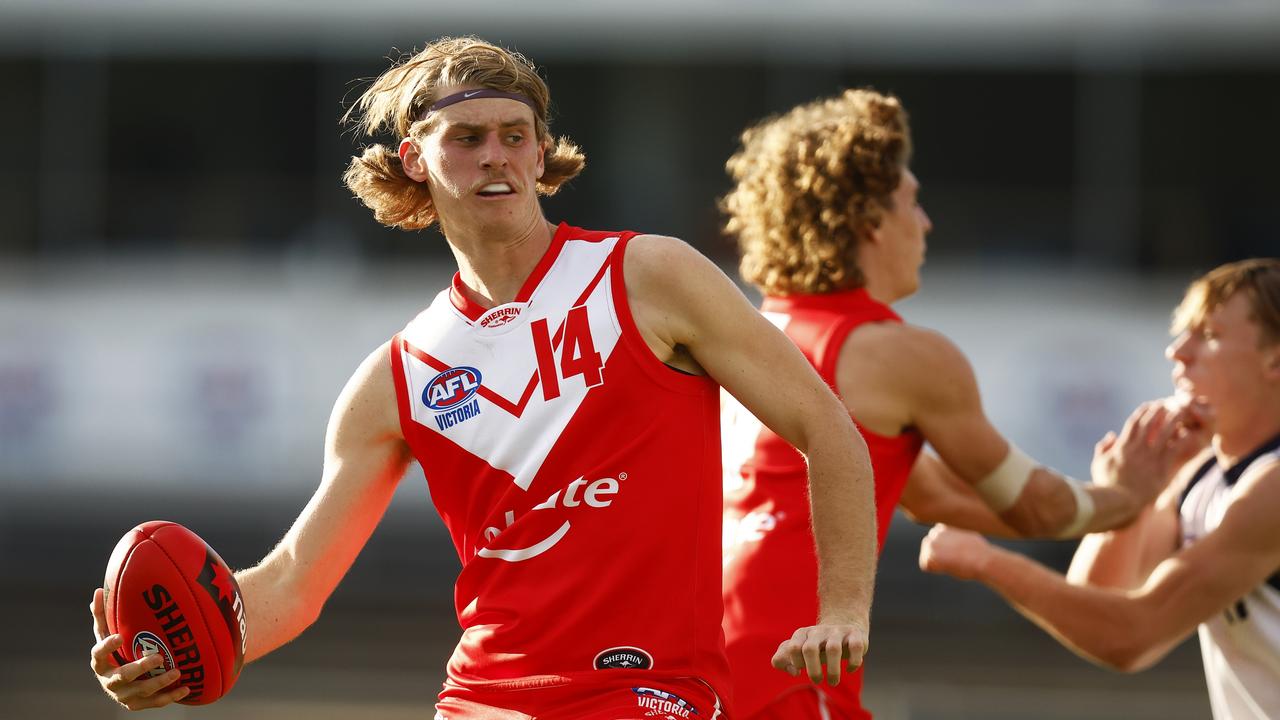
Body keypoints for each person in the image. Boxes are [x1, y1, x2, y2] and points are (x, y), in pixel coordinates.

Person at [87, 36, 879, 718]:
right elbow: (293, 582)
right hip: (481, 698)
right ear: (415, 159)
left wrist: (841, 608)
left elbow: (826, 427)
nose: (494, 155)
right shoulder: (398, 374)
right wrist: (174, 653)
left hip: (650, 692)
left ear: (541, 152)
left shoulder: (648, 274)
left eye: (513, 134)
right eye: (466, 137)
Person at [718, 88, 1184, 720]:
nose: (926, 222)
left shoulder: (757, 331)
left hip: (706, 664)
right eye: (912, 200)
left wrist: (1106, 509)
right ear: (869, 221)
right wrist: (1128, 496)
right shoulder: (899, 355)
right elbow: (1032, 504)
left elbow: (935, 496)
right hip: (791, 673)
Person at [919, 258, 1280, 720]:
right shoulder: (1203, 471)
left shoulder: (1270, 488)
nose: (1178, 352)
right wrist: (1134, 497)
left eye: (1208, 335)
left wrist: (986, 562)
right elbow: (1099, 598)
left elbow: (1131, 636)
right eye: (1182, 332)